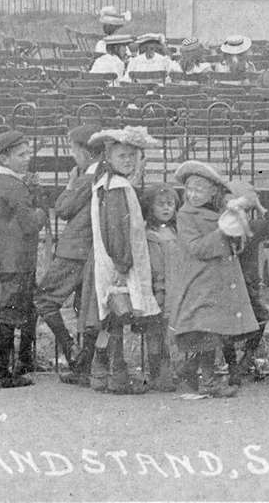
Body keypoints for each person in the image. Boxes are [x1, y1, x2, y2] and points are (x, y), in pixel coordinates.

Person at [170, 159, 258, 399]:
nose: (193, 194)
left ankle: (187, 370)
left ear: (212, 191)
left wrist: (235, 222)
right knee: (206, 331)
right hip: (200, 282)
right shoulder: (186, 215)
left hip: (219, 282)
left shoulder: (219, 210)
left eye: (199, 189)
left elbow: (238, 239)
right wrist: (222, 232)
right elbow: (196, 248)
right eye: (189, 189)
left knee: (211, 331)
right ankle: (208, 381)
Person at [82, 130, 161, 396]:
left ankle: (99, 372)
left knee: (110, 320)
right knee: (116, 317)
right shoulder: (117, 187)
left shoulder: (107, 181)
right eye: (122, 155)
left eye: (133, 155)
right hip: (118, 263)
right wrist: (122, 265)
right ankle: (117, 375)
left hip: (110, 260)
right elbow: (116, 230)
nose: (128, 160)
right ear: (109, 156)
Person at [36, 126, 107, 386]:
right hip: (89, 251)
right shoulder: (103, 174)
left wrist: (68, 184)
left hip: (74, 251)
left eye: (73, 150)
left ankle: (73, 353)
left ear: (86, 152)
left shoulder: (87, 178)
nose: (72, 155)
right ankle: (84, 365)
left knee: (43, 299)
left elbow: (63, 209)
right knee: (84, 308)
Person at [0, 129, 47, 388]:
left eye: (28, 152)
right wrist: (42, 209)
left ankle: (22, 362)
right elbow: (31, 223)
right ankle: (3, 372)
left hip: (6, 259)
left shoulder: (0, 183)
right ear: (4, 158)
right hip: (17, 260)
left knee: (24, 309)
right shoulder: (14, 187)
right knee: (12, 313)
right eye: (21, 154)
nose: (27, 158)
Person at [221, 181, 269, 386]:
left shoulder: (224, 230)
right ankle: (244, 360)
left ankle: (236, 366)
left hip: (232, 285)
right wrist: (259, 206)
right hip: (247, 285)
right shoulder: (253, 228)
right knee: (260, 319)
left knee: (229, 326)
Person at [140, 183, 182, 391]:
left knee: (171, 332)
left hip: (176, 289)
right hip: (158, 291)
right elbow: (153, 266)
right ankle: (158, 373)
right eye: (160, 204)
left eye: (170, 204)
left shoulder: (177, 231)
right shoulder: (149, 234)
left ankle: (173, 371)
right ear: (151, 207)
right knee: (155, 333)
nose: (166, 208)